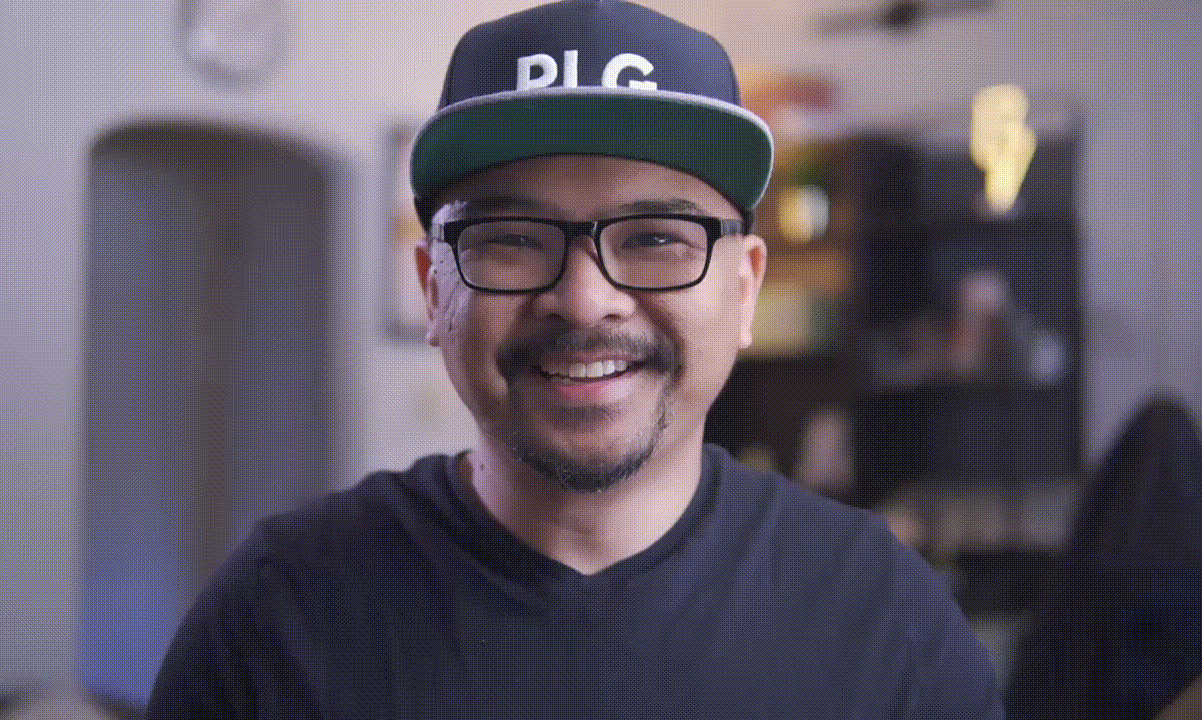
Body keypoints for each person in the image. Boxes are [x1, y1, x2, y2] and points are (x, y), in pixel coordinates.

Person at [145, 2, 1003, 718]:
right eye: (514, 239)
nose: (587, 301)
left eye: (657, 238)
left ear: (744, 290)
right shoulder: (277, 618)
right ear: (433, 289)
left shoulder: (885, 619)